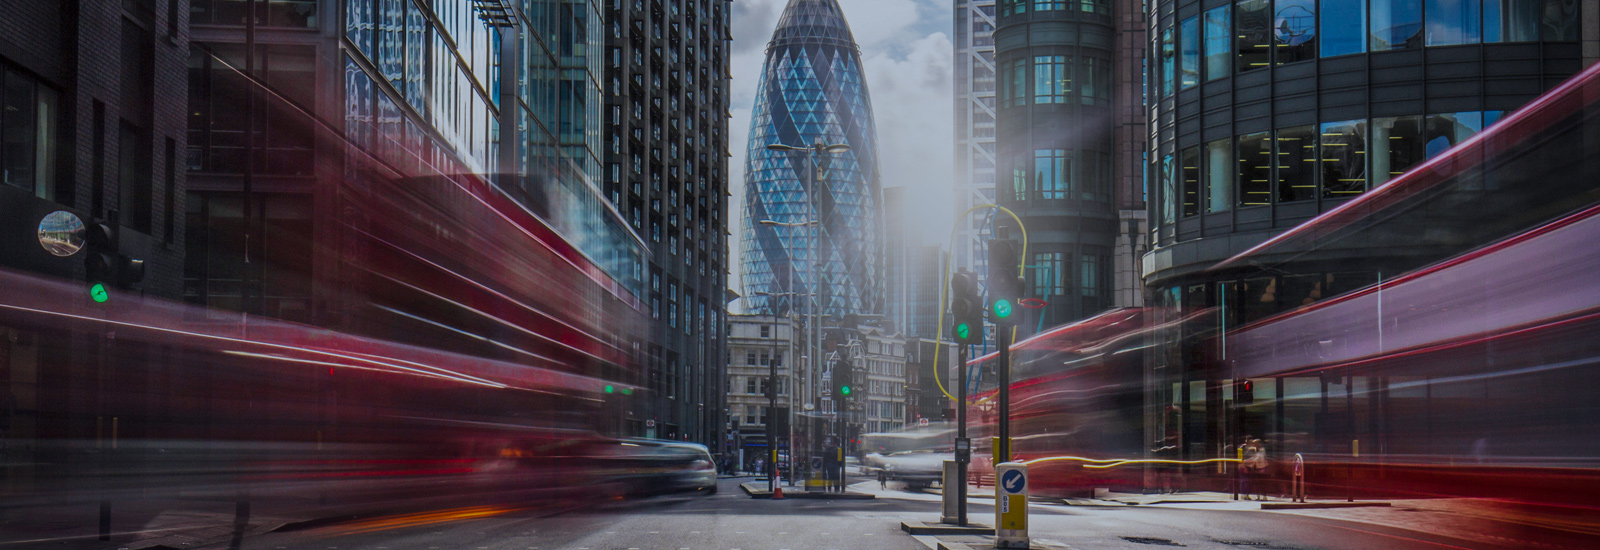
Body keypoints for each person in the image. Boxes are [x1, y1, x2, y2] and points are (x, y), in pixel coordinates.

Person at [1241, 436, 1266, 500]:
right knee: (1253, 482)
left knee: (1260, 483)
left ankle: (1262, 496)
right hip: (1254, 467)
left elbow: (1257, 459)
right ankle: (1255, 495)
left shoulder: (1260, 450)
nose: (1253, 445)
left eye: (1254, 444)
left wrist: (1247, 462)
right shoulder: (1244, 448)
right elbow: (1254, 458)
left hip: (1259, 468)